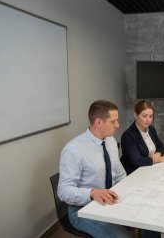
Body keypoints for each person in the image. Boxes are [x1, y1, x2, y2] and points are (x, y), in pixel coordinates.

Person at [57, 100, 132, 238]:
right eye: (113, 121)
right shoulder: (73, 150)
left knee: (149, 219)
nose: (117, 125)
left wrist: (132, 191)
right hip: (82, 209)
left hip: (109, 200)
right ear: (98, 122)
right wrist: (92, 193)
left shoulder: (110, 141)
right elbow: (63, 191)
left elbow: (120, 174)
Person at [121, 100, 164, 175]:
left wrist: (157, 154)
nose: (148, 120)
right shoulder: (128, 136)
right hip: (134, 174)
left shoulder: (151, 129)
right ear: (135, 115)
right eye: (144, 116)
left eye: (150, 116)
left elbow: (161, 147)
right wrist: (158, 159)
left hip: (149, 170)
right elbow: (138, 161)